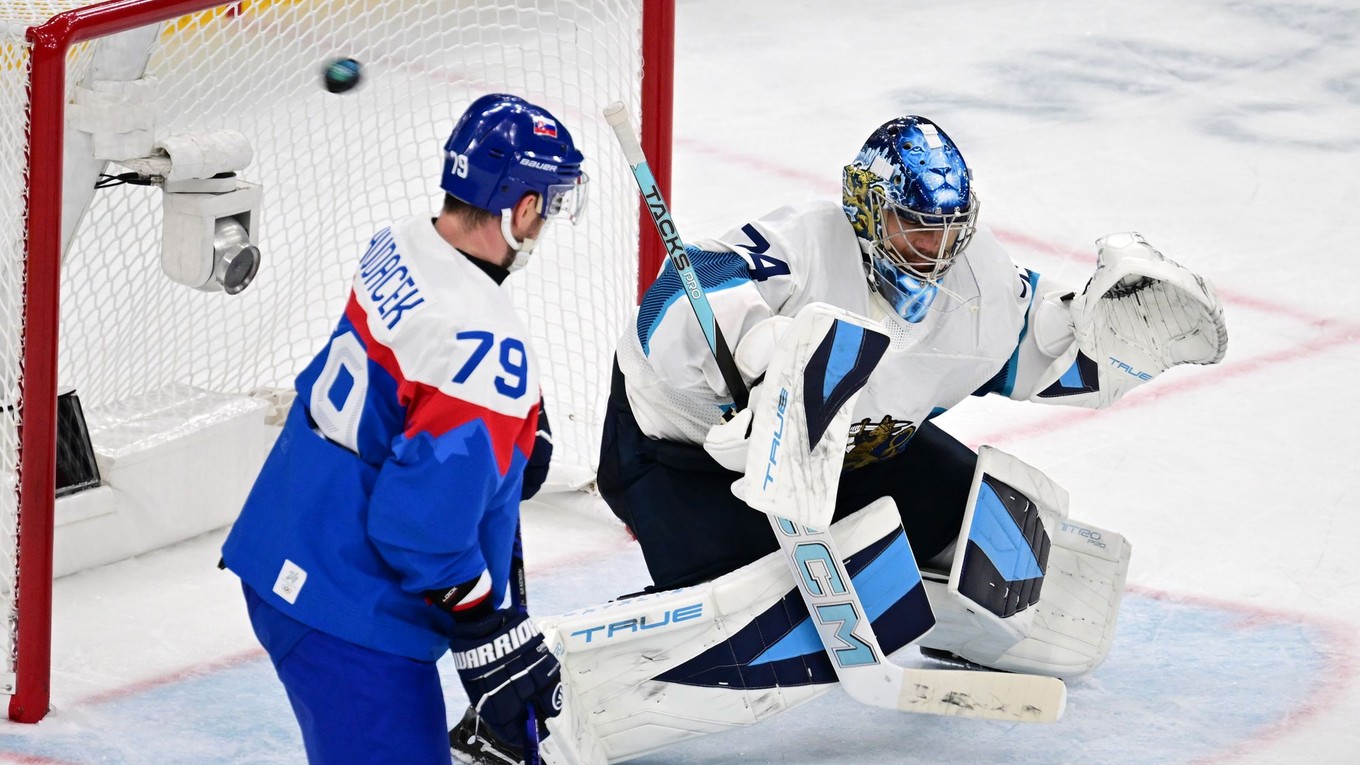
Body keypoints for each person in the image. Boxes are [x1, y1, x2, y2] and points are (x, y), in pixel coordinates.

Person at [594, 114, 1226, 671]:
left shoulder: (980, 280)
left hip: (854, 453)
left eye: (949, 231)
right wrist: (764, 357)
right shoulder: (806, 243)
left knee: (996, 529)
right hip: (687, 458)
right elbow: (672, 301)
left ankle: (955, 630)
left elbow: (1038, 353)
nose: (935, 252)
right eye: (916, 229)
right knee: (748, 607)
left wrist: (1104, 330)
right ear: (868, 211)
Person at [220, 93, 587, 765]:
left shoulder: (401, 241)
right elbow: (419, 527)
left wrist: (510, 443)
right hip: (345, 607)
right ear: (524, 207)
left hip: (283, 541)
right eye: (550, 205)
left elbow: (410, 390)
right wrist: (484, 629)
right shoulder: (484, 345)